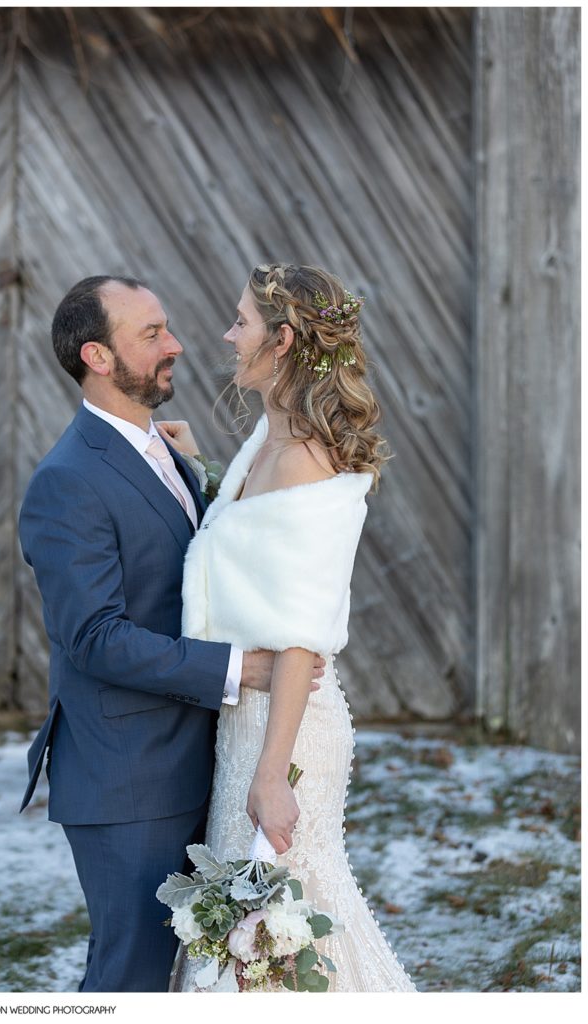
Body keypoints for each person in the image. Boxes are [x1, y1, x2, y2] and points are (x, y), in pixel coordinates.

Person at [18, 274, 325, 993]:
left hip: (193, 760)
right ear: (96, 356)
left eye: (167, 327)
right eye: (151, 334)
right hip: (126, 778)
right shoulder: (67, 479)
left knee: (191, 973)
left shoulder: (161, 453)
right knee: (131, 977)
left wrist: (210, 483)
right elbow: (92, 635)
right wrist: (235, 669)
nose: (177, 345)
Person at [167, 263, 417, 992]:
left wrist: (273, 775)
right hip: (250, 716)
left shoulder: (303, 460)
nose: (226, 334)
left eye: (239, 320)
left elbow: (301, 627)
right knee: (250, 917)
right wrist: (200, 472)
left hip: (289, 723)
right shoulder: (266, 445)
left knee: (285, 914)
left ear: (279, 339)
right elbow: (256, 543)